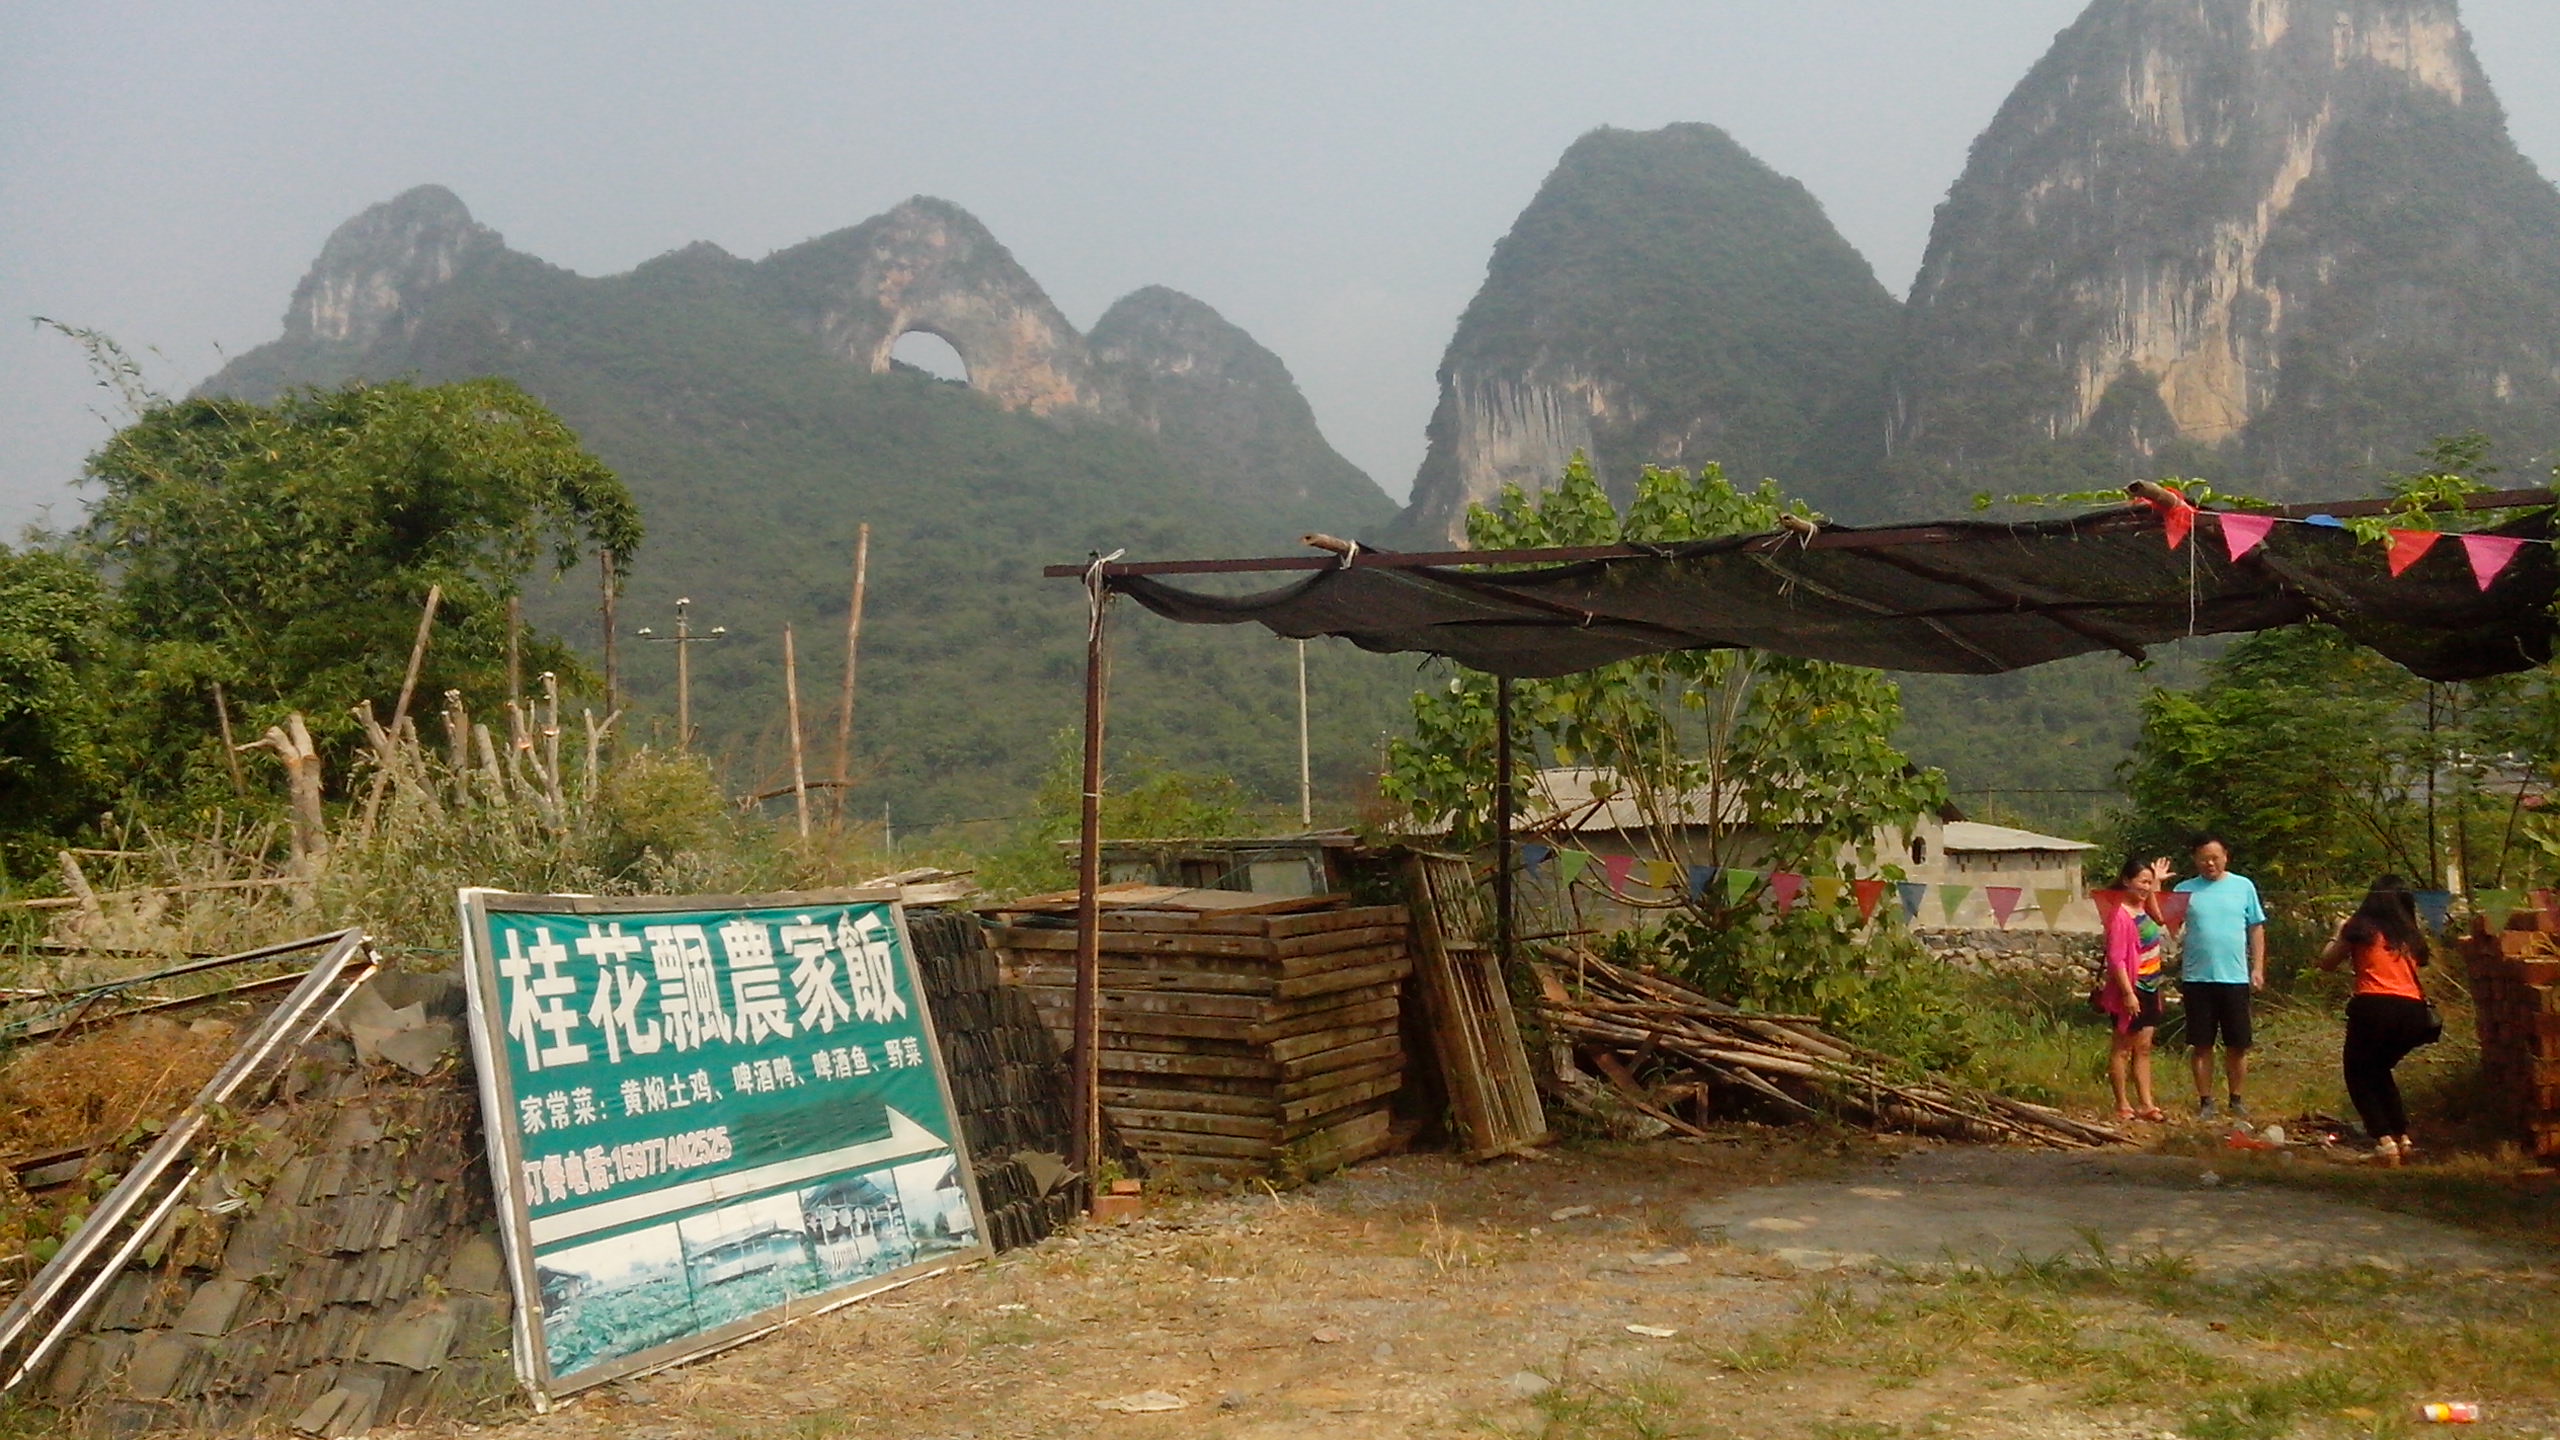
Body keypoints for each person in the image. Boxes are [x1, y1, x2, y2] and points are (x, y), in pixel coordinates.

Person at [2317, 875, 2439, 1163]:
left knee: (2358, 1073)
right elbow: (2422, 962)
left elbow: (2326, 963)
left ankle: (2384, 1140)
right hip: (2413, 1013)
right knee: (2379, 1072)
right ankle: (2403, 1138)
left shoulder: (2358, 928)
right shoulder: (2410, 935)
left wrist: (2338, 932)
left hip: (2373, 1006)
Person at [2173, 835, 2267, 1121]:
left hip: (2235, 977)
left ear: (2226, 856)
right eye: (2203, 858)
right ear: (2195, 859)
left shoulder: (2243, 886)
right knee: (2201, 1043)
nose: (2209, 863)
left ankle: (2236, 1099)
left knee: (2237, 1044)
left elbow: (2256, 928)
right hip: (2197, 978)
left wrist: (2258, 967)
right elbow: (2168, 926)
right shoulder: (2184, 889)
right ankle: (2205, 1101)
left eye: (2215, 857)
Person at [2099, 856, 2168, 1121]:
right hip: (2131, 987)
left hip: (2152, 985)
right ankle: (2122, 1104)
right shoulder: (2120, 915)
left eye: (2149, 883)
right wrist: (2128, 993)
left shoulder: (2144, 909)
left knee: (2144, 1047)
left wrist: (2156, 883)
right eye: (2142, 881)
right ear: (2127, 880)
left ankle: (2147, 1103)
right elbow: (2116, 959)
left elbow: (2160, 917)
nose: (2146, 887)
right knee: (2122, 1047)